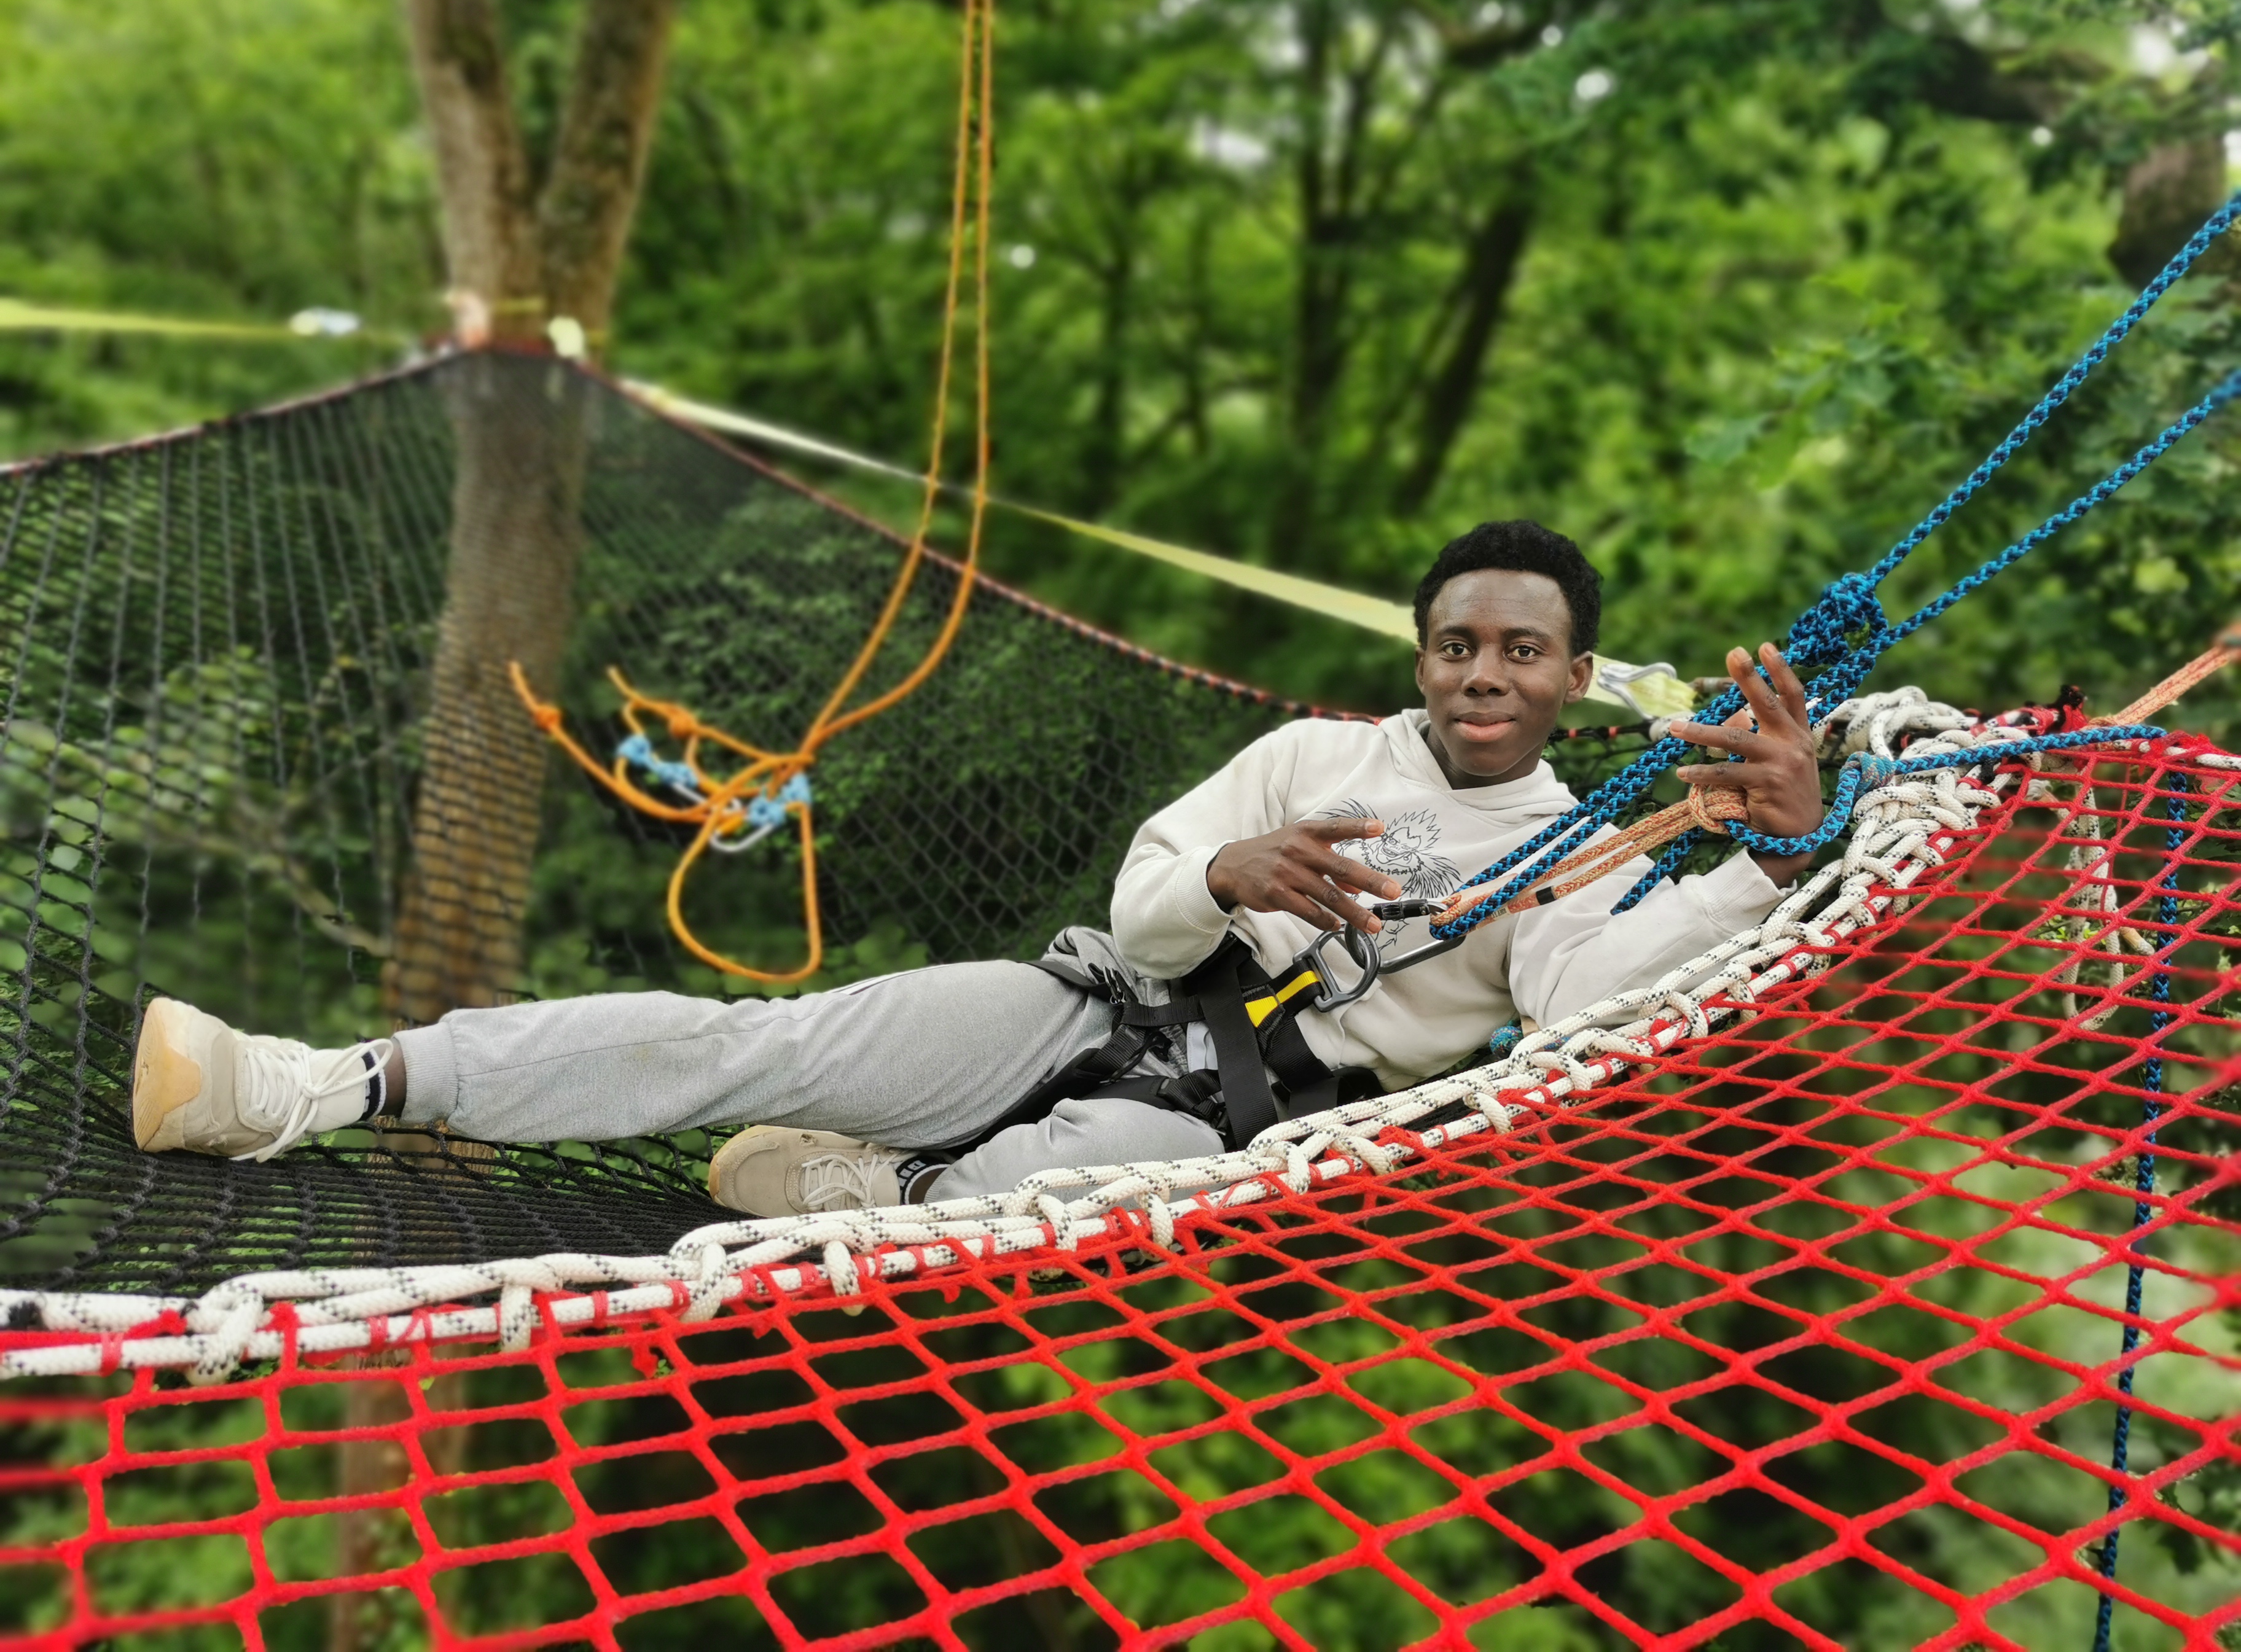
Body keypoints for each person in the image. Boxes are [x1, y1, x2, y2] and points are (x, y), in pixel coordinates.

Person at [130, 521, 1826, 1216]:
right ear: (1423, 653)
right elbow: (1151, 897)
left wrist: (1768, 851)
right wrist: (1229, 875)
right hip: (1094, 1001)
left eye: (1522, 652)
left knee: (992, 1218)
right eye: (1458, 643)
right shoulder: (1315, 759)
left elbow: (1588, 1003)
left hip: (1227, 1124)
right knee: (764, 1040)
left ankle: (877, 1187)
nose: (1483, 675)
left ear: (1575, 677)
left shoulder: (1584, 855)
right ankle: (308, 1084)